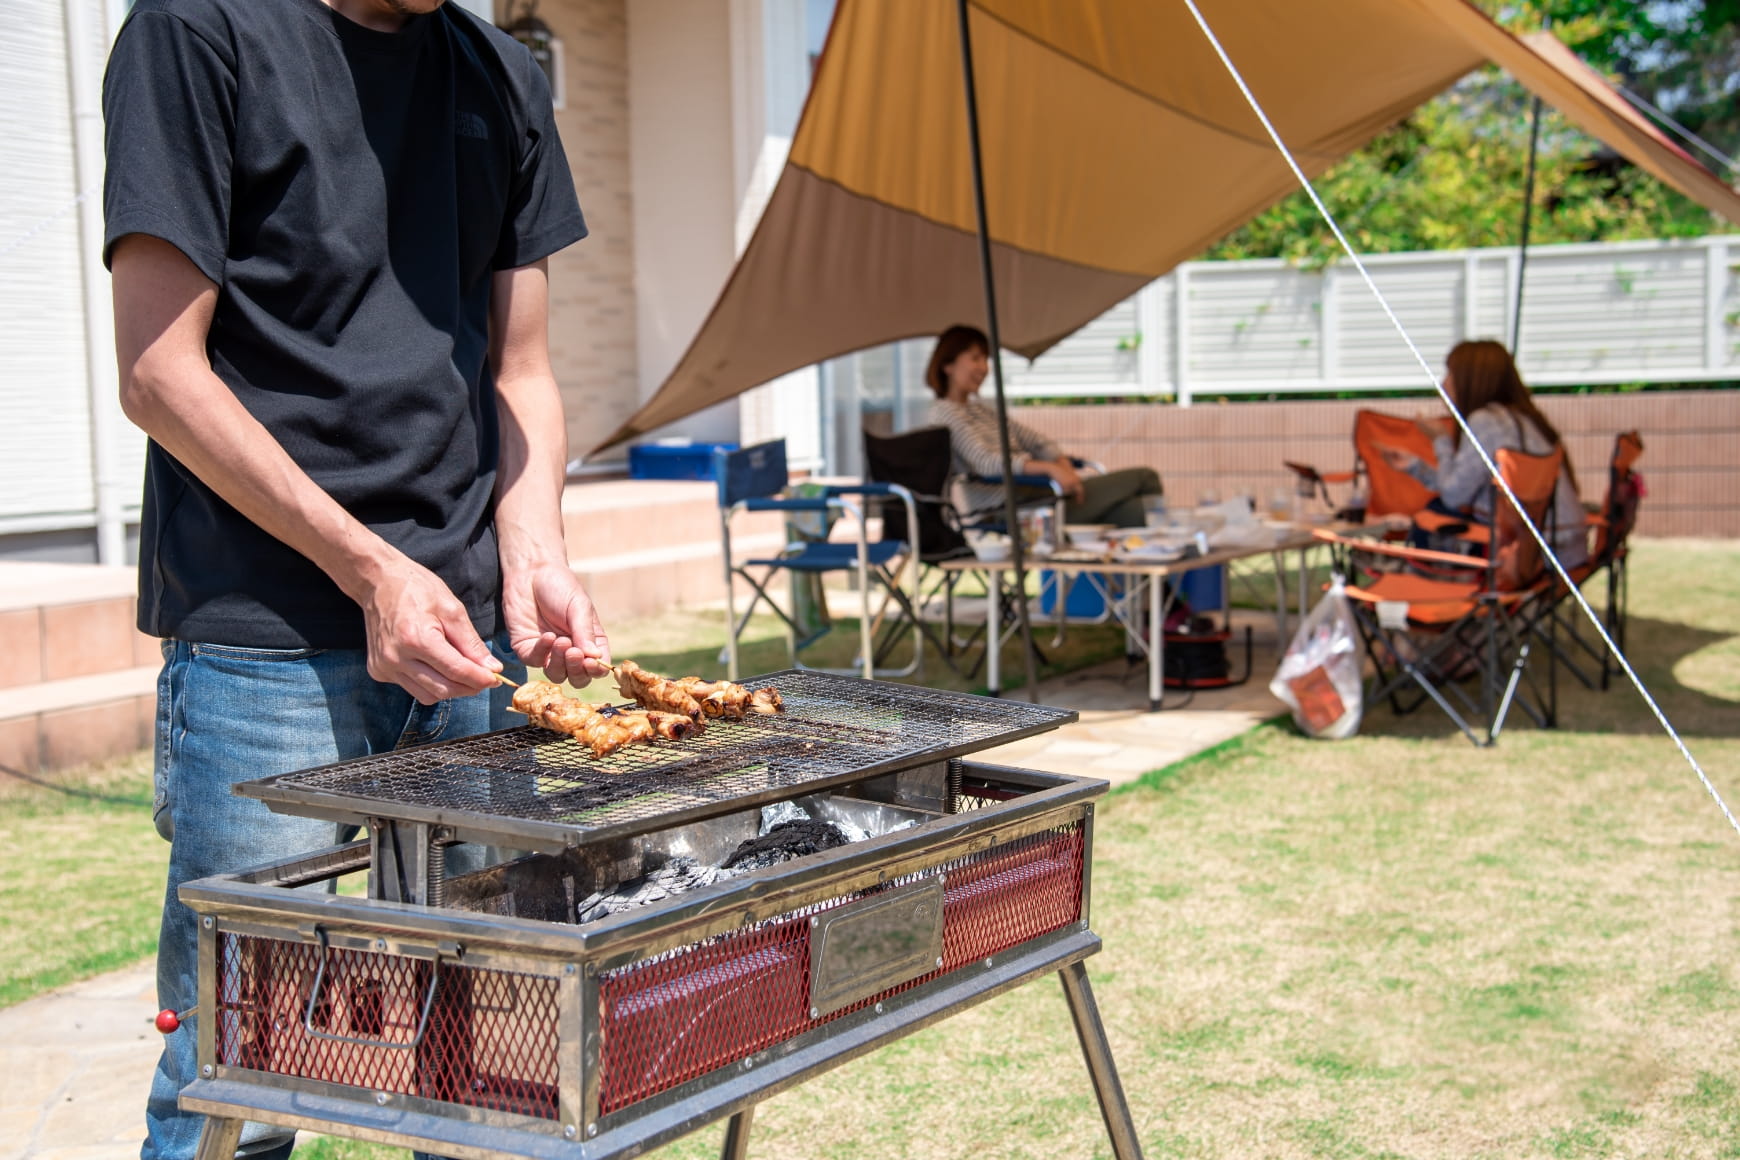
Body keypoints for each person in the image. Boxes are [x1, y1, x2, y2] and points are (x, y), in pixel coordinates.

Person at [103, 2, 608, 1158]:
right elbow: (157, 370)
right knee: (244, 1062)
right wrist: (371, 567)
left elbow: (522, 369)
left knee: (490, 1049)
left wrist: (534, 551)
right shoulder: (199, 30)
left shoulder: (498, 75)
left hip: (468, 640)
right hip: (263, 642)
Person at [924, 324, 1163, 527]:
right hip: (1008, 510)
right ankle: (1156, 580)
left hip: (1039, 497)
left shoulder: (982, 411)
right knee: (1145, 479)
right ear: (948, 365)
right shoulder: (945, 413)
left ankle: (1152, 581)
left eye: (985, 359)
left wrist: (1060, 463)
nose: (984, 368)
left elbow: (1037, 440)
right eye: (975, 358)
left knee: (1138, 512)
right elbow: (987, 463)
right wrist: (1049, 470)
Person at [1381, 340, 1587, 569]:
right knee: (1440, 511)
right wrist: (1414, 466)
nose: (1443, 383)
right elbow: (1461, 486)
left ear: (1471, 379)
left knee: (1435, 515)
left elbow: (1454, 496)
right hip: (1565, 543)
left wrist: (1440, 439)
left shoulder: (1488, 422)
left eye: (1451, 374)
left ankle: (1422, 585)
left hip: (1535, 553)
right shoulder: (1521, 417)